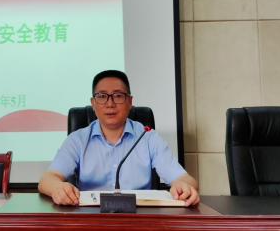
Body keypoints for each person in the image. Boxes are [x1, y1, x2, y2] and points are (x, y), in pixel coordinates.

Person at [39, 70, 200, 207]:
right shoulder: (77, 140)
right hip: (90, 219)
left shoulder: (147, 137)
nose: (110, 104)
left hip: (139, 219)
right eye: (102, 96)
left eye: (117, 96)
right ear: (93, 103)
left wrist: (183, 186)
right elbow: (47, 179)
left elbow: (184, 178)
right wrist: (57, 188)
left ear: (129, 101)